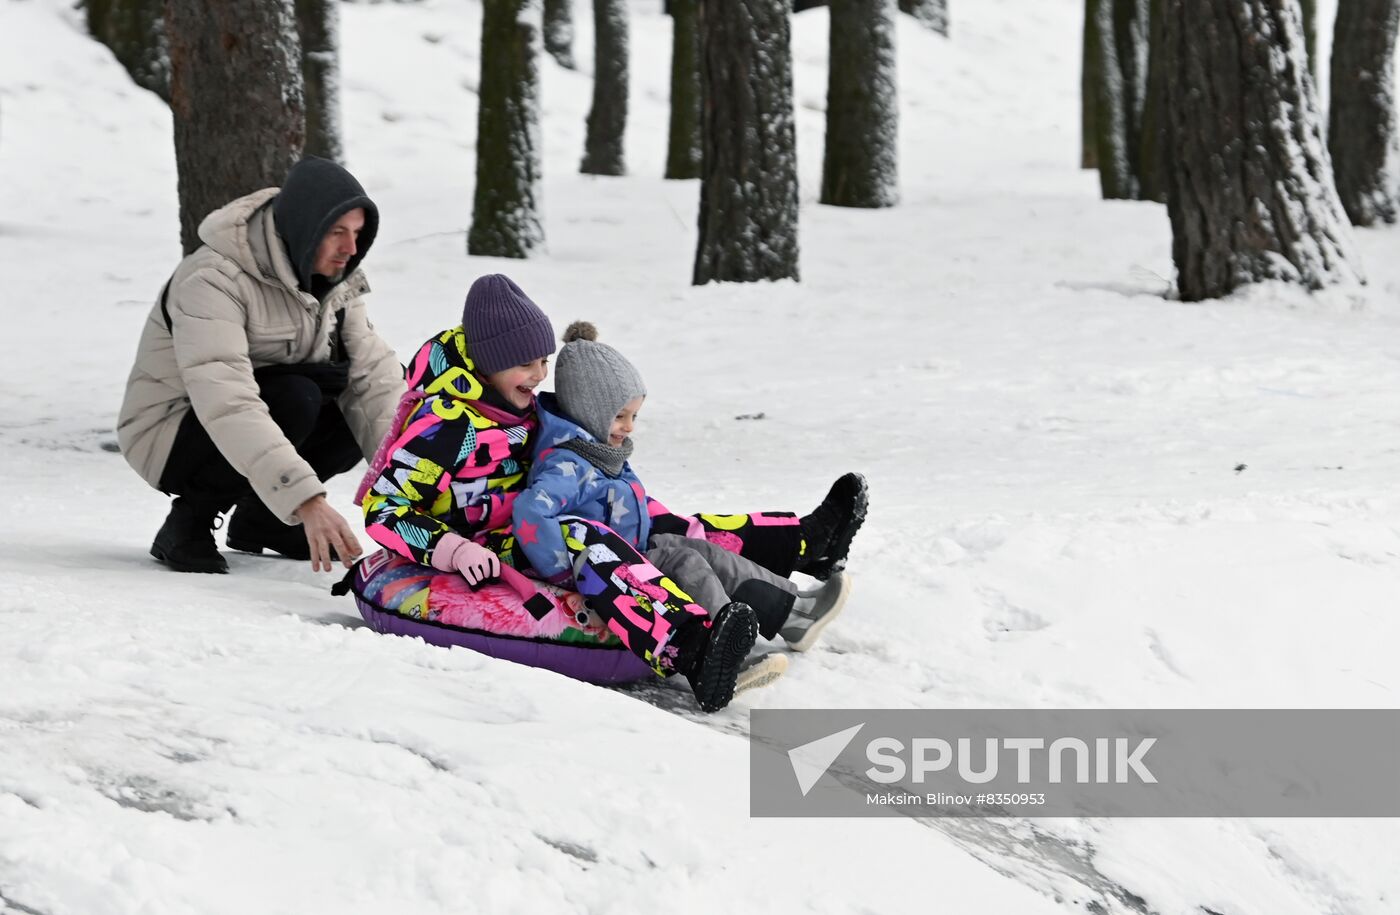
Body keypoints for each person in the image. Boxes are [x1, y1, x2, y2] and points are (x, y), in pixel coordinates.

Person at [359, 274, 867, 711]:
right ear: (491, 361)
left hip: (545, 518)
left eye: (543, 361)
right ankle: (691, 647)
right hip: (494, 546)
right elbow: (386, 509)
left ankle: (803, 543)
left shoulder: (521, 405)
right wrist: (452, 547)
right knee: (589, 535)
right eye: (526, 364)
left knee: (657, 522)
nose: (539, 375)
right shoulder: (447, 426)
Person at [117, 157, 405, 575]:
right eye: (337, 232)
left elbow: (376, 384)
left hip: (262, 413)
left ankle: (265, 520)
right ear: (304, 227)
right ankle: (190, 521)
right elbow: (227, 400)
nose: (351, 249)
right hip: (169, 432)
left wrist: (413, 490)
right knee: (296, 397)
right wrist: (307, 500)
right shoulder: (214, 279)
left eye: (358, 233)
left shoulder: (337, 282)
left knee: (352, 398)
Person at [513, 322, 855, 659]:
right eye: (620, 416)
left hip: (638, 549)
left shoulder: (602, 450)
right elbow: (532, 510)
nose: (629, 427)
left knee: (706, 552)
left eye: (634, 415)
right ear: (589, 411)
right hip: (615, 569)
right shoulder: (567, 465)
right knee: (689, 564)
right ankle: (727, 644)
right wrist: (560, 570)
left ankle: (796, 611)